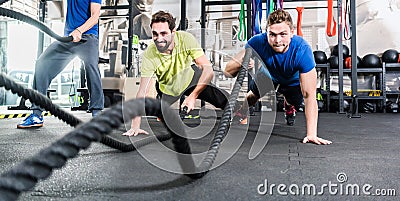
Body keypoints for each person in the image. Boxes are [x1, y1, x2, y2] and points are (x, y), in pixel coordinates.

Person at [224, 9, 331, 145]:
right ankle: (241, 112)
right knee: (253, 95)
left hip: (292, 81)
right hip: (268, 75)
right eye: (272, 35)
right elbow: (227, 72)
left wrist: (311, 134)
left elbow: (309, 96)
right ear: (266, 32)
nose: (277, 40)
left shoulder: (302, 50)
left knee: (295, 101)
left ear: (292, 32)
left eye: (283, 34)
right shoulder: (256, 43)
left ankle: (288, 104)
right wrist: (239, 63)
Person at [123, 10, 228, 136]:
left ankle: (241, 113)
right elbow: (142, 92)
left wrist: (192, 97)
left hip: (190, 80)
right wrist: (135, 126)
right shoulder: (149, 55)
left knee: (226, 100)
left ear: (173, 32)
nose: (159, 39)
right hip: (168, 88)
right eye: (155, 34)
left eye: (164, 33)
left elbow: (208, 69)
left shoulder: (186, 39)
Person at [17, 0, 104, 128]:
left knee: (91, 66)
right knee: (42, 63)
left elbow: (95, 16)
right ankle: (36, 114)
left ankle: (97, 113)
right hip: (68, 38)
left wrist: (79, 31)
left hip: (87, 37)